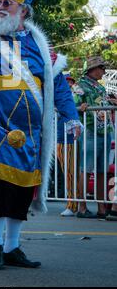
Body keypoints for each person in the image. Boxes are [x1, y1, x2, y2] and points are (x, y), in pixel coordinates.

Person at [0, 0, 82, 270]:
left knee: (22, 192)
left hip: (32, 135)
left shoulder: (42, 49)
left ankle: (12, 247)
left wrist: (71, 115)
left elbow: (58, 86)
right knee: (1, 190)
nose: (0, 8)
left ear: (24, 11)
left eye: (7, 4)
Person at [73, 56, 114, 219]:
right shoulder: (79, 86)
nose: (104, 72)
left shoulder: (99, 87)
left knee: (102, 171)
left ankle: (101, 207)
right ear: (93, 69)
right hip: (89, 131)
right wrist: (80, 108)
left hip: (105, 131)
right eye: (102, 68)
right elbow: (72, 106)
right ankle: (82, 207)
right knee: (86, 169)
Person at [57, 72, 80, 216]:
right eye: (66, 81)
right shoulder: (58, 95)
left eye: (70, 81)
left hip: (69, 137)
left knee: (71, 171)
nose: (69, 84)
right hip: (59, 136)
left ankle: (73, 204)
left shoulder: (74, 94)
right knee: (68, 171)